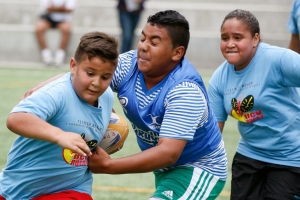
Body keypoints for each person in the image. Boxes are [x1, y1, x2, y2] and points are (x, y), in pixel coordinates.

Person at [21, 10, 228, 200]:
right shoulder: (130, 64)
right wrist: (43, 88)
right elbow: (86, 79)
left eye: (154, 42)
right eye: (143, 38)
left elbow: (168, 152)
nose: (143, 46)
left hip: (198, 167)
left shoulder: (184, 90)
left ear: (177, 53)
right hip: (166, 168)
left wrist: (109, 166)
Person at [0, 31, 119, 200]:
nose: (96, 83)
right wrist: (59, 135)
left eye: (105, 77)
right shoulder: (57, 93)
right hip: (19, 189)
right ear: (73, 66)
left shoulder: (106, 95)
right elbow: (16, 118)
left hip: (71, 189)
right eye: (90, 73)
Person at [208, 9, 300, 200]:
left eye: (238, 37)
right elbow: (213, 135)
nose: (230, 44)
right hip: (249, 155)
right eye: (225, 38)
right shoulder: (219, 79)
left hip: (290, 157)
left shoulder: (279, 59)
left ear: (255, 39)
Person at [35, 0, 76, 66]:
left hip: (63, 20)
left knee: (67, 29)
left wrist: (54, 8)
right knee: (39, 28)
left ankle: (59, 57)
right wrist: (62, 9)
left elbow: (69, 10)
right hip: (48, 19)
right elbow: (47, 8)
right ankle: (46, 56)